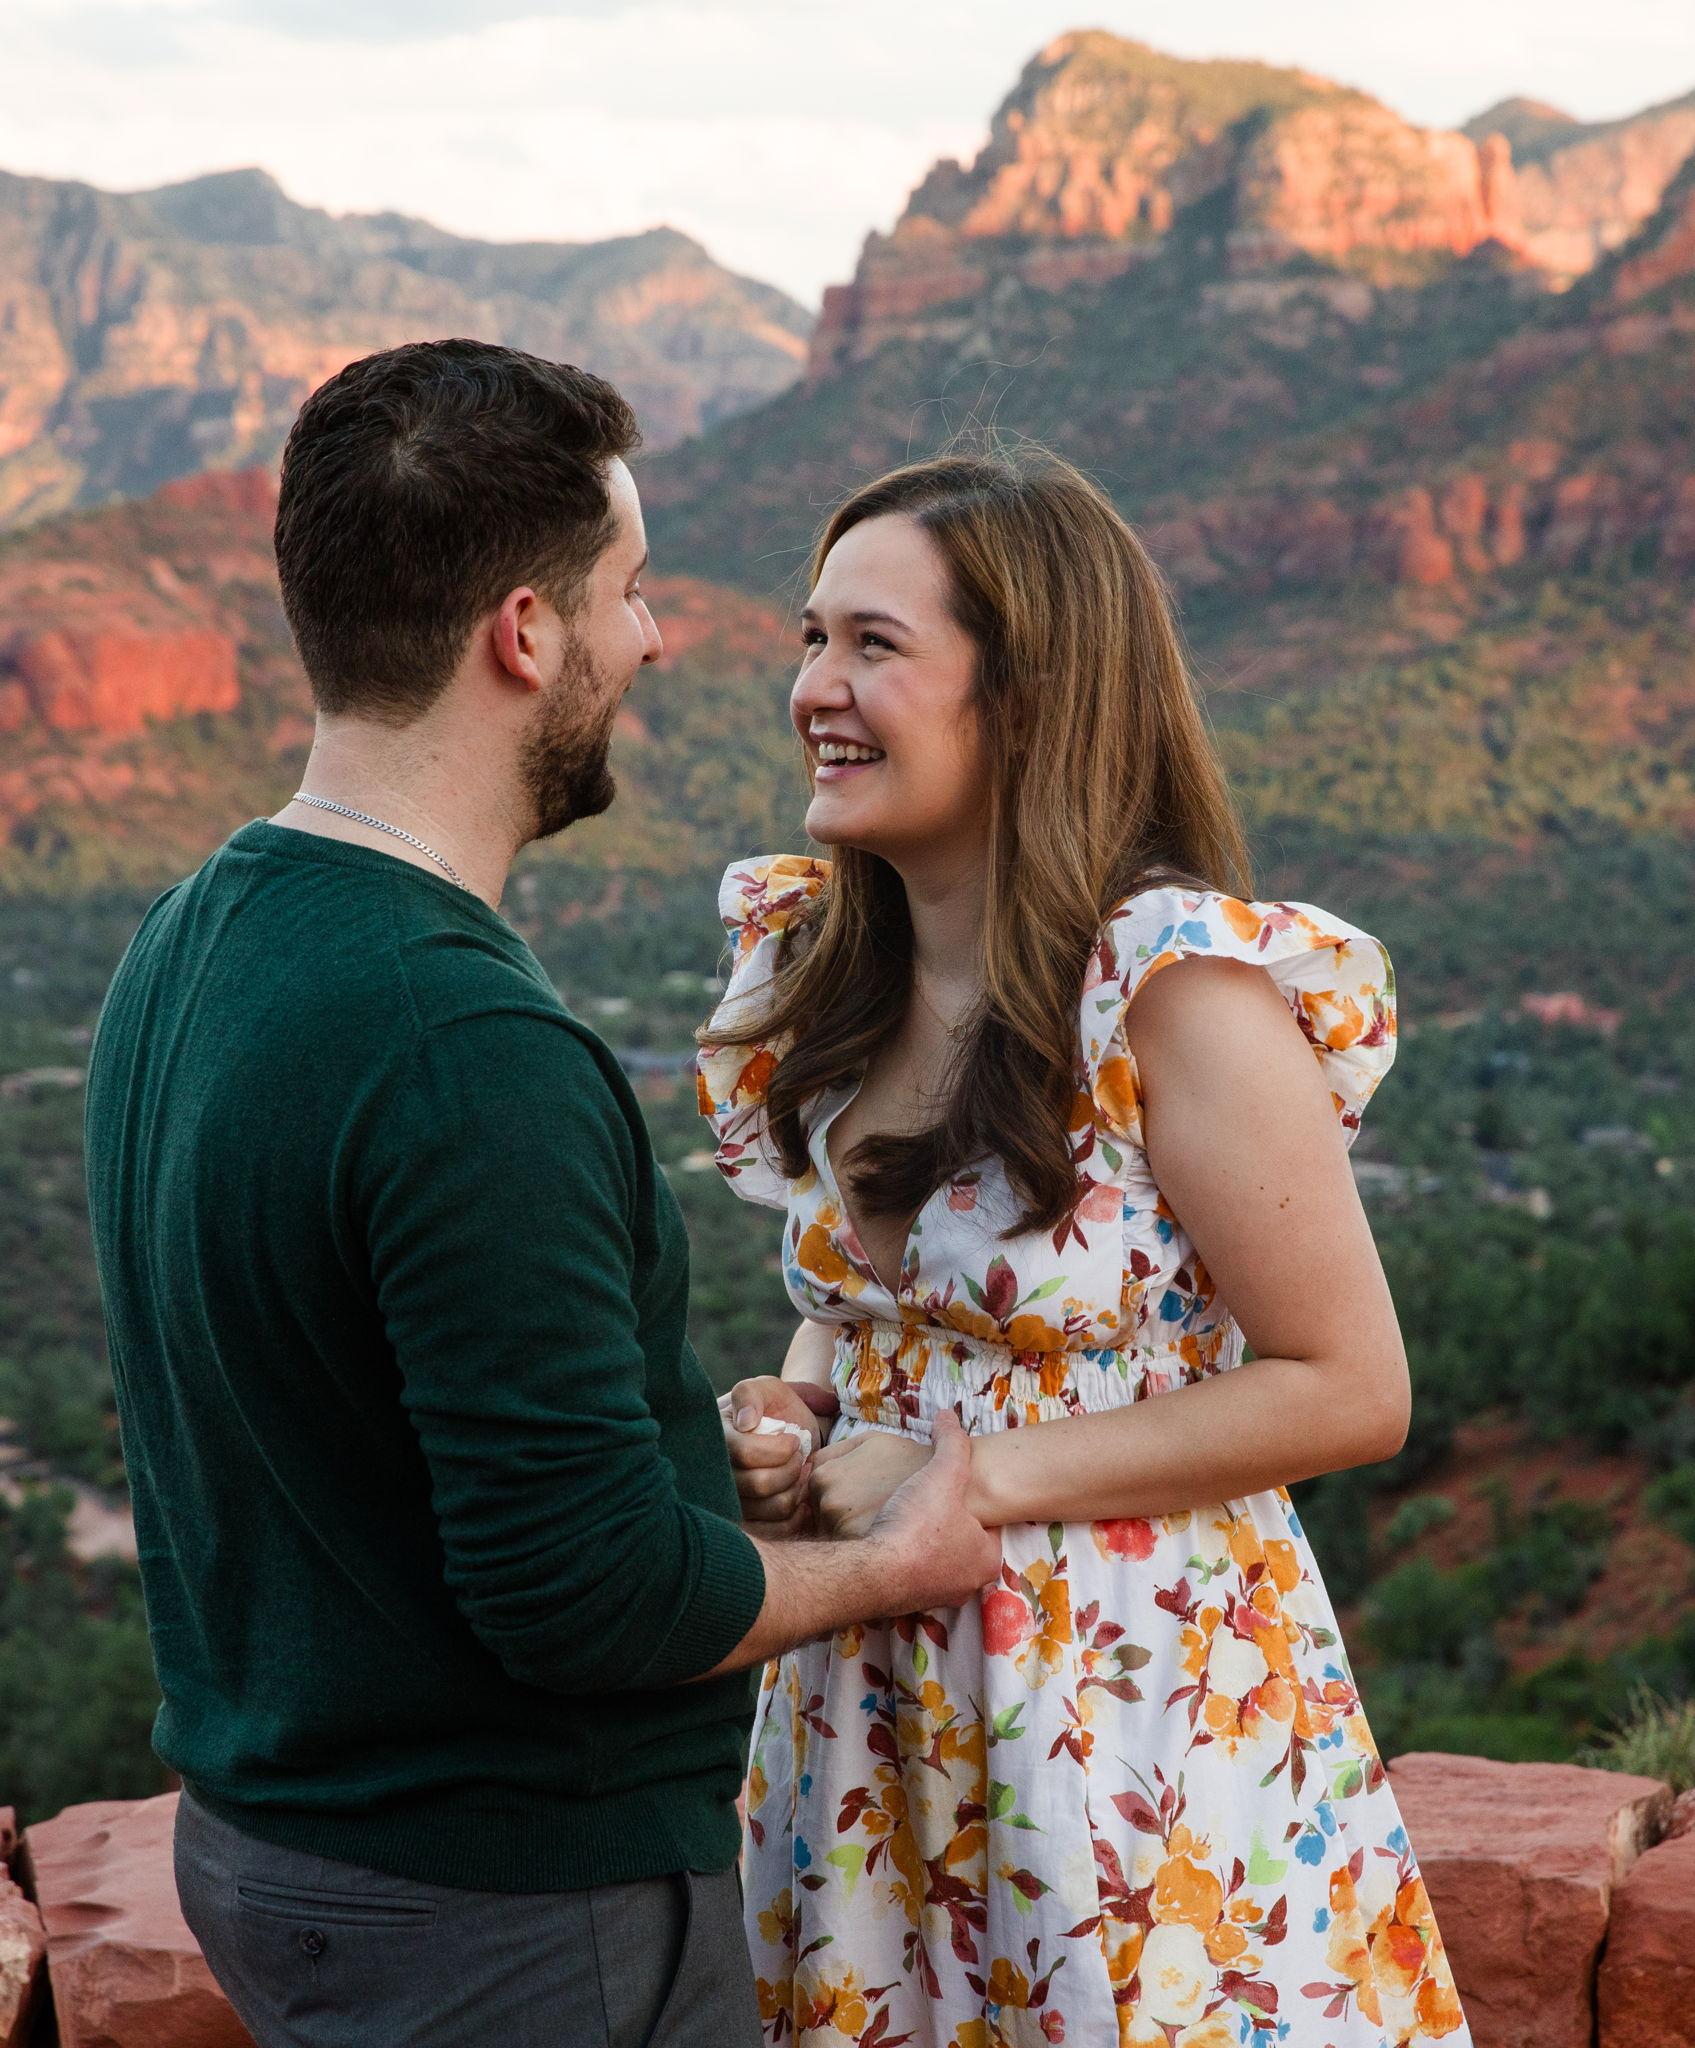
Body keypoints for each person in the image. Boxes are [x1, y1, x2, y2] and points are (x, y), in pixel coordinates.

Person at [83, 339, 997, 2048]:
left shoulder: (189, 933)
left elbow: (343, 1409)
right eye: (629, 592)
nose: (654, 639)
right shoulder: (467, 1048)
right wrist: (897, 1562)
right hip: (511, 1920)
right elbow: (591, 1601)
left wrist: (658, 1457)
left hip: (279, 1853)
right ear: (523, 632)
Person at [697, 449, 1472, 2046]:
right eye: (812, 638)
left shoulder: (1171, 989)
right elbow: (867, 1312)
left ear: (1029, 694)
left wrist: (958, 1478)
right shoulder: (824, 971)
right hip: (870, 1727)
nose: (816, 688)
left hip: (1125, 1719)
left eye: (874, 645)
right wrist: (797, 1415)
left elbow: (1350, 1386)